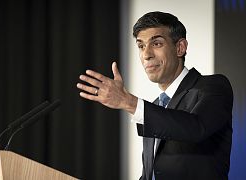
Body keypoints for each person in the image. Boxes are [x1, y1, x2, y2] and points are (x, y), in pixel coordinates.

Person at [76, 11, 233, 180]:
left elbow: (196, 128)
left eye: (156, 43)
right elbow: (150, 174)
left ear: (180, 47)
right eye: (141, 46)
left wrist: (128, 102)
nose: (146, 54)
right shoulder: (154, 106)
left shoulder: (213, 86)